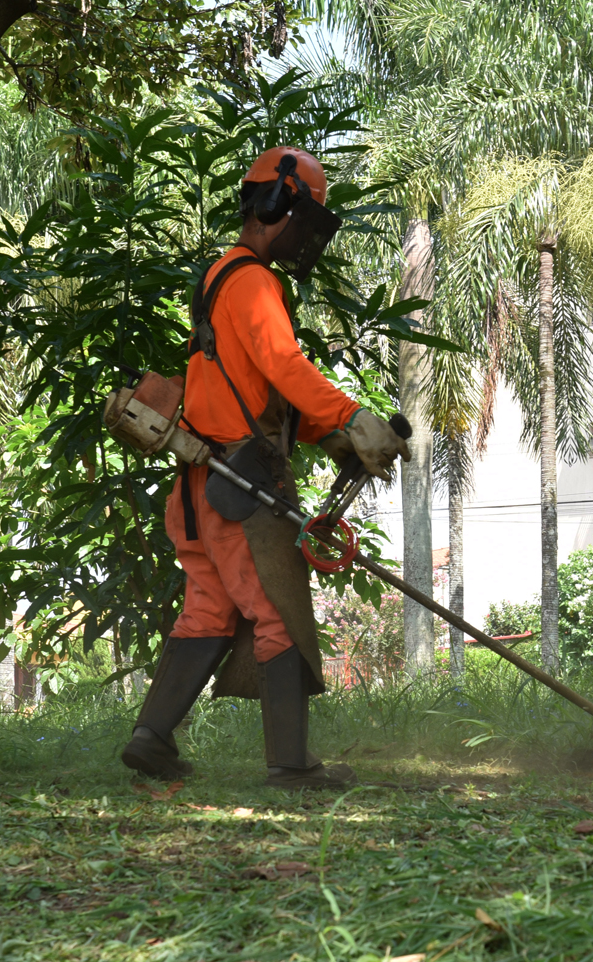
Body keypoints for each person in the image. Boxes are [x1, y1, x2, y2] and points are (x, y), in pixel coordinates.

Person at [120, 146, 410, 788]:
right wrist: (352, 416)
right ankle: (290, 765)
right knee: (279, 610)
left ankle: (151, 738)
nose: (307, 241)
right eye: (308, 225)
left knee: (209, 611)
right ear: (284, 208)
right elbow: (283, 366)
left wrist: (328, 434)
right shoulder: (253, 280)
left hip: (201, 486)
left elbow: (251, 393)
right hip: (239, 489)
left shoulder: (218, 278)